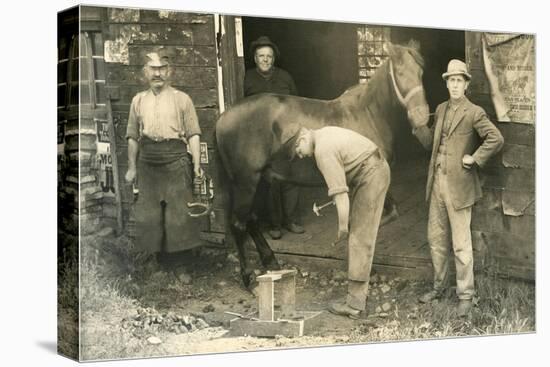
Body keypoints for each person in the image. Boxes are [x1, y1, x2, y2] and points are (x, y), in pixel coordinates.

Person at [413, 59, 504, 317]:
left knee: (461, 245)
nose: (454, 85)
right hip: (437, 184)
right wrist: (418, 127)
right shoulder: (441, 109)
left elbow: (496, 138)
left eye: (458, 81)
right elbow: (431, 142)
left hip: (460, 186)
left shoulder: (473, 111)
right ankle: (439, 288)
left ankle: (466, 295)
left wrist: (474, 158)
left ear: (465, 84)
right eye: (451, 80)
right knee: (436, 240)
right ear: (447, 84)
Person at [294, 126, 390, 319]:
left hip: (371, 175)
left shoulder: (322, 151)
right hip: (372, 169)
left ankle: (355, 305)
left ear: (304, 136)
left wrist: (343, 227)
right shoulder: (323, 134)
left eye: (298, 150)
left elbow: (341, 195)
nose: (300, 156)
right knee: (360, 232)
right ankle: (360, 288)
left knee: (358, 238)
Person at [125, 51, 204, 259]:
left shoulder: (182, 99)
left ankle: (180, 263)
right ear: (145, 72)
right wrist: (132, 168)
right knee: (149, 213)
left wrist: (196, 166)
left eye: (161, 69)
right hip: (148, 160)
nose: (157, 74)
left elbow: (194, 134)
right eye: (153, 69)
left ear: (169, 71)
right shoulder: (138, 101)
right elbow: (132, 136)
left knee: (178, 214)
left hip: (176, 158)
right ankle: (155, 258)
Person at [244, 36, 304, 240]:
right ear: (255, 58)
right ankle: (274, 224)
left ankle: (291, 220)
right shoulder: (247, 78)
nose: (265, 60)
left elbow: (297, 104)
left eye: (269, 56)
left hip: (287, 136)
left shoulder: (285, 77)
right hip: (261, 138)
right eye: (261, 56)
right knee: (270, 181)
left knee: (292, 178)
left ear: (273, 59)